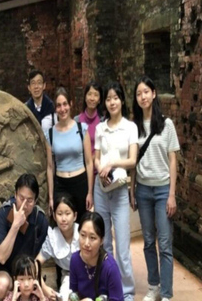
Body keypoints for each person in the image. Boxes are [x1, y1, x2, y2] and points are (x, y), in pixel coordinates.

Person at [131, 76, 180, 301]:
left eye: (146, 92)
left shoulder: (166, 124)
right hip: (143, 190)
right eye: (139, 93)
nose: (142, 97)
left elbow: (172, 161)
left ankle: (167, 293)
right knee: (148, 241)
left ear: (154, 93)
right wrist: (132, 189)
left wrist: (171, 195)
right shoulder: (135, 126)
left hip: (162, 191)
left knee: (165, 243)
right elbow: (133, 161)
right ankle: (154, 286)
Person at [93, 82, 137, 301]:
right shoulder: (101, 128)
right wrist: (100, 166)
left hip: (119, 190)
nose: (111, 102)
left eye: (115, 97)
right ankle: (108, 287)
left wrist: (112, 164)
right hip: (101, 188)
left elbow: (132, 159)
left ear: (121, 100)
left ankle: (127, 292)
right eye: (108, 98)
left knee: (122, 244)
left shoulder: (130, 127)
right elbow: (96, 155)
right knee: (105, 242)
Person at [0, 173, 49, 300]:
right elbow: (2, 258)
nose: (24, 205)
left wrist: (41, 285)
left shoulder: (40, 220)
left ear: (36, 201)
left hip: (26, 272)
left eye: (30, 200)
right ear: (15, 195)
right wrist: (15, 225)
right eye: (21, 198)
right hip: (4, 267)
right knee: (1, 287)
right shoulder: (3, 213)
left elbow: (37, 260)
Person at [45, 87, 94, 222]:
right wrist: (50, 197)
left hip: (80, 182)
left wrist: (90, 192)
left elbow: (89, 162)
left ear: (70, 104)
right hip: (61, 185)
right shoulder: (50, 134)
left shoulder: (82, 128)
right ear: (55, 108)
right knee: (63, 225)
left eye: (65, 104)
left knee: (82, 225)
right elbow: (50, 167)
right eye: (59, 105)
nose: (62, 109)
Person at [70, 211, 123, 301]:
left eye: (92, 238)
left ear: (101, 240)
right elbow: (74, 294)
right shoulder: (75, 259)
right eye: (83, 235)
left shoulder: (110, 267)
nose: (86, 243)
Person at [37, 194, 79, 301]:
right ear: (55, 216)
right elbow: (35, 264)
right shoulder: (52, 237)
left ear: (75, 216)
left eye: (68, 213)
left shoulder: (82, 232)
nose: (63, 219)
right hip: (69, 276)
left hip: (89, 275)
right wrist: (43, 286)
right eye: (59, 214)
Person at [75, 81, 104, 154]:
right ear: (85, 97)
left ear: (99, 100)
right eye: (89, 94)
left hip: (99, 163)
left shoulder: (103, 121)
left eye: (96, 95)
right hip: (81, 164)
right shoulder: (77, 120)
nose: (92, 98)